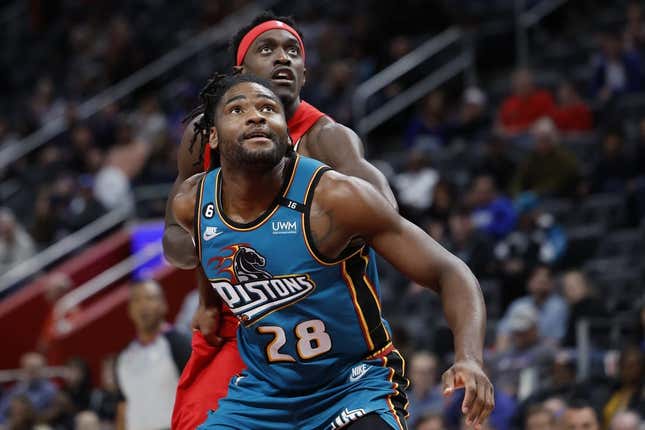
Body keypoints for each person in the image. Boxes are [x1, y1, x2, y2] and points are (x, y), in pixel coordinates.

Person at [172, 74, 493, 429]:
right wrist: (207, 301)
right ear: (213, 136)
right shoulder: (193, 203)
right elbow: (209, 248)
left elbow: (448, 271)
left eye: (268, 108)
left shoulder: (334, 199)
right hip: (264, 394)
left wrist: (469, 358)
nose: (256, 116)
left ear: (286, 132)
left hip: (350, 383)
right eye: (237, 109)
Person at [164, 12, 397, 430]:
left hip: (313, 310)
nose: (282, 59)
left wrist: (304, 210)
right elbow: (175, 238)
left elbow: (385, 216)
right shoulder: (204, 133)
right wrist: (208, 294)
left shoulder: (327, 138)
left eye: (293, 51)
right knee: (193, 419)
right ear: (240, 71)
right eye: (267, 49)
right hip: (242, 310)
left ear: (305, 74)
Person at [115, 280, 191, 430]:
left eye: (150, 298)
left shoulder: (179, 343)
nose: (143, 305)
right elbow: (123, 406)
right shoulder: (124, 357)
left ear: (163, 304)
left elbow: (199, 394)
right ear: (130, 309)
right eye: (137, 300)